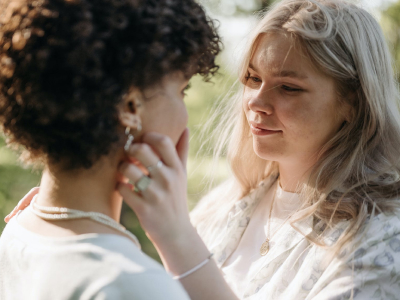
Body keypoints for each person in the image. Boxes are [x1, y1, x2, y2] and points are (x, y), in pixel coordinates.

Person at [7, 0, 400, 299]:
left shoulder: (383, 240)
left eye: (289, 87)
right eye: (252, 79)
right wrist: (64, 221)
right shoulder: (223, 206)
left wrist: (178, 241)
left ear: (353, 101)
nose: (255, 102)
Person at [0, 0, 221, 299]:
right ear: (131, 107)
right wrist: (179, 236)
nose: (185, 117)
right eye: (182, 90)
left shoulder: (17, 231)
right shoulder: (133, 283)